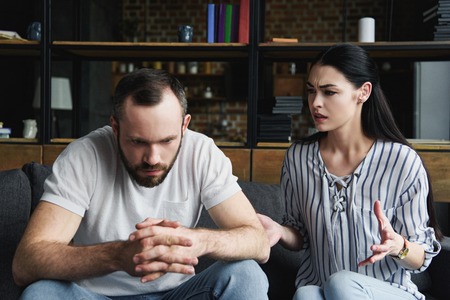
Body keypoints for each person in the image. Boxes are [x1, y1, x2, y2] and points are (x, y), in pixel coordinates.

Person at [13, 68, 270, 299]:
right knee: (41, 293)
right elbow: (25, 264)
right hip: (95, 296)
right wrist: (118, 255)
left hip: (179, 295)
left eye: (167, 141)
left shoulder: (201, 152)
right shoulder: (84, 155)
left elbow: (258, 242)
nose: (153, 159)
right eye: (138, 142)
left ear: (184, 126)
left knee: (247, 274)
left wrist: (199, 241)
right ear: (115, 128)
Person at [257, 43, 442, 300]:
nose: (315, 103)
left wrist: (398, 246)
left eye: (329, 92)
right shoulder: (297, 158)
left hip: (389, 292)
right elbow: (300, 233)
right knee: (306, 294)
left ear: (363, 92)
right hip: (320, 288)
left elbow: (422, 256)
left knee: (342, 283)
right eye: (311, 91)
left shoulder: (401, 161)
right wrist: (280, 231)